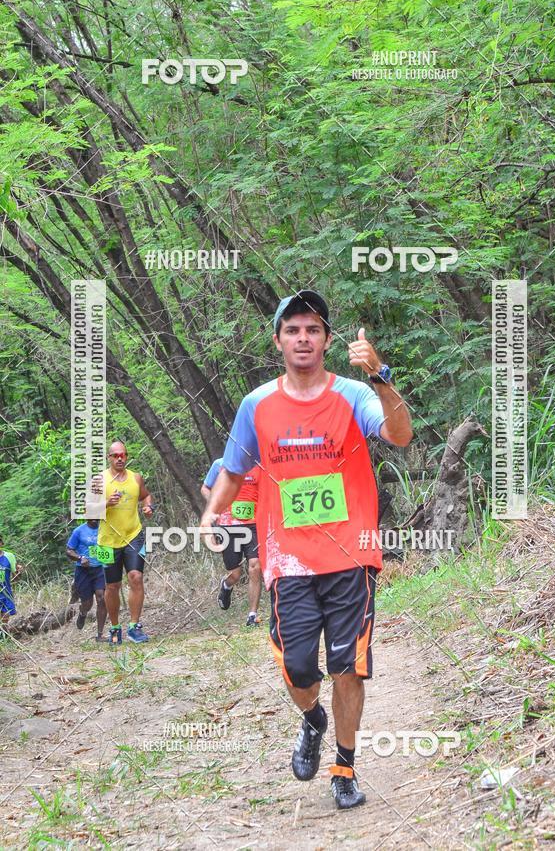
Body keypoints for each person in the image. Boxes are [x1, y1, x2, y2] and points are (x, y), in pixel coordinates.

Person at [200, 290, 412, 810]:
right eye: (293, 330)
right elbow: (232, 470)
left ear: (327, 341)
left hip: (350, 556)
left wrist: (381, 375)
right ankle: (313, 718)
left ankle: (344, 767)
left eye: (313, 330)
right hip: (287, 560)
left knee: (348, 665)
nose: (303, 338)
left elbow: (400, 434)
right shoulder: (257, 405)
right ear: (278, 341)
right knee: (298, 668)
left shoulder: (355, 394)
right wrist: (211, 513)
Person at [95, 441, 154, 645]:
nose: (120, 458)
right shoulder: (99, 480)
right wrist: (106, 504)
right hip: (106, 541)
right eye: (116, 455)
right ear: (109, 458)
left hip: (133, 535)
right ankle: (115, 628)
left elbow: (146, 497)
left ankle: (134, 627)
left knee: (135, 577)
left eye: (123, 455)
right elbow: (86, 510)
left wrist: (148, 508)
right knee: (112, 586)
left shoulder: (136, 478)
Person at [201, 459, 262, 627]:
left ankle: (252, 615)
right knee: (236, 574)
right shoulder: (220, 464)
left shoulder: (260, 464)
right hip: (228, 525)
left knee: (255, 566)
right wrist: (217, 505)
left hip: (253, 524)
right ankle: (226, 585)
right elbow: (205, 488)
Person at [66, 519, 107, 641]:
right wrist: (80, 557)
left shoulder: (105, 528)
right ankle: (83, 613)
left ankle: (100, 635)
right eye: (91, 515)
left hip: (100, 569)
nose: (94, 518)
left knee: (102, 598)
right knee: (87, 603)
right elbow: (69, 550)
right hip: (83, 571)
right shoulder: (79, 531)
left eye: (97, 515)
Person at [0, 536, 22, 627]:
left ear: (1, 543)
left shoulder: (9, 556)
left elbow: (16, 578)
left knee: (4, 619)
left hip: (5, 592)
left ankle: (4, 636)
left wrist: (19, 571)